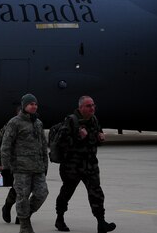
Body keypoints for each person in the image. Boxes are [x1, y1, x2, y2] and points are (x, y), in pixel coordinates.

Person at [54, 96, 116, 233]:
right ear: (81, 107)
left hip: (90, 165)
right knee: (66, 193)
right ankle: (60, 218)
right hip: (72, 167)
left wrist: (100, 138)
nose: (92, 108)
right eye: (88, 106)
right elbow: (61, 143)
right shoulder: (71, 121)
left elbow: (94, 138)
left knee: (97, 193)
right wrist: (78, 137)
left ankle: (101, 222)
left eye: (93, 105)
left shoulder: (94, 120)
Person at [0, 94, 49, 233]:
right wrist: (5, 167)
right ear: (24, 106)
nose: (34, 106)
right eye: (31, 104)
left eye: (35, 104)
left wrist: (45, 165)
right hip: (21, 168)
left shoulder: (38, 123)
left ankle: (25, 215)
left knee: (42, 194)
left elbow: (43, 146)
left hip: (38, 167)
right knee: (22, 197)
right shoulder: (15, 122)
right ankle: (25, 225)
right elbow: (6, 146)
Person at [0, 107, 22, 224]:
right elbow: (2, 146)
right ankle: (8, 206)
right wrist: (1, 164)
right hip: (14, 163)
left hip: (30, 163)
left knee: (26, 190)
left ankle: (20, 214)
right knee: (18, 188)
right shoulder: (9, 126)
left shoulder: (34, 124)